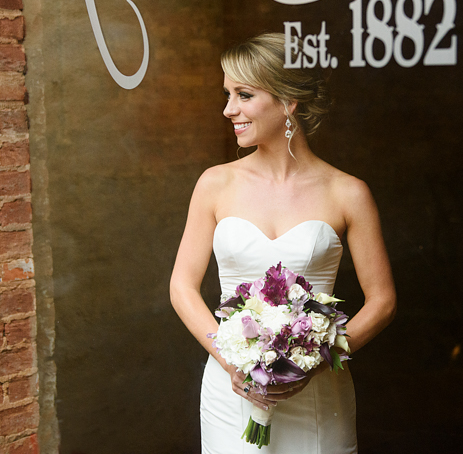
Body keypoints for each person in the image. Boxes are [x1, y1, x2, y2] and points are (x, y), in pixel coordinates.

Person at [170, 33, 397, 453]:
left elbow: (382, 302)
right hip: (231, 389)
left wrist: (312, 362)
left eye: (244, 94)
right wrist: (229, 361)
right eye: (228, 94)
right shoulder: (215, 183)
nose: (228, 109)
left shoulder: (348, 192)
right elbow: (182, 286)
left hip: (317, 393)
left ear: (288, 102)